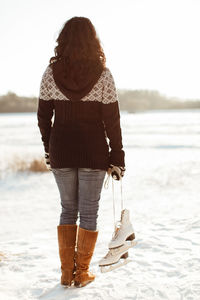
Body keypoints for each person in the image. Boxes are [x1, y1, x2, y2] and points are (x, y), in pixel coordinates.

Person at [37, 16, 125, 288]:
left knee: (67, 209)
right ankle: (81, 273)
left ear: (63, 40)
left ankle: (67, 274)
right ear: (92, 41)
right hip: (93, 151)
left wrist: (48, 148)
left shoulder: (50, 74)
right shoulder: (103, 74)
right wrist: (117, 156)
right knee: (88, 212)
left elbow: (43, 117)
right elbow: (112, 120)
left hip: (61, 150)